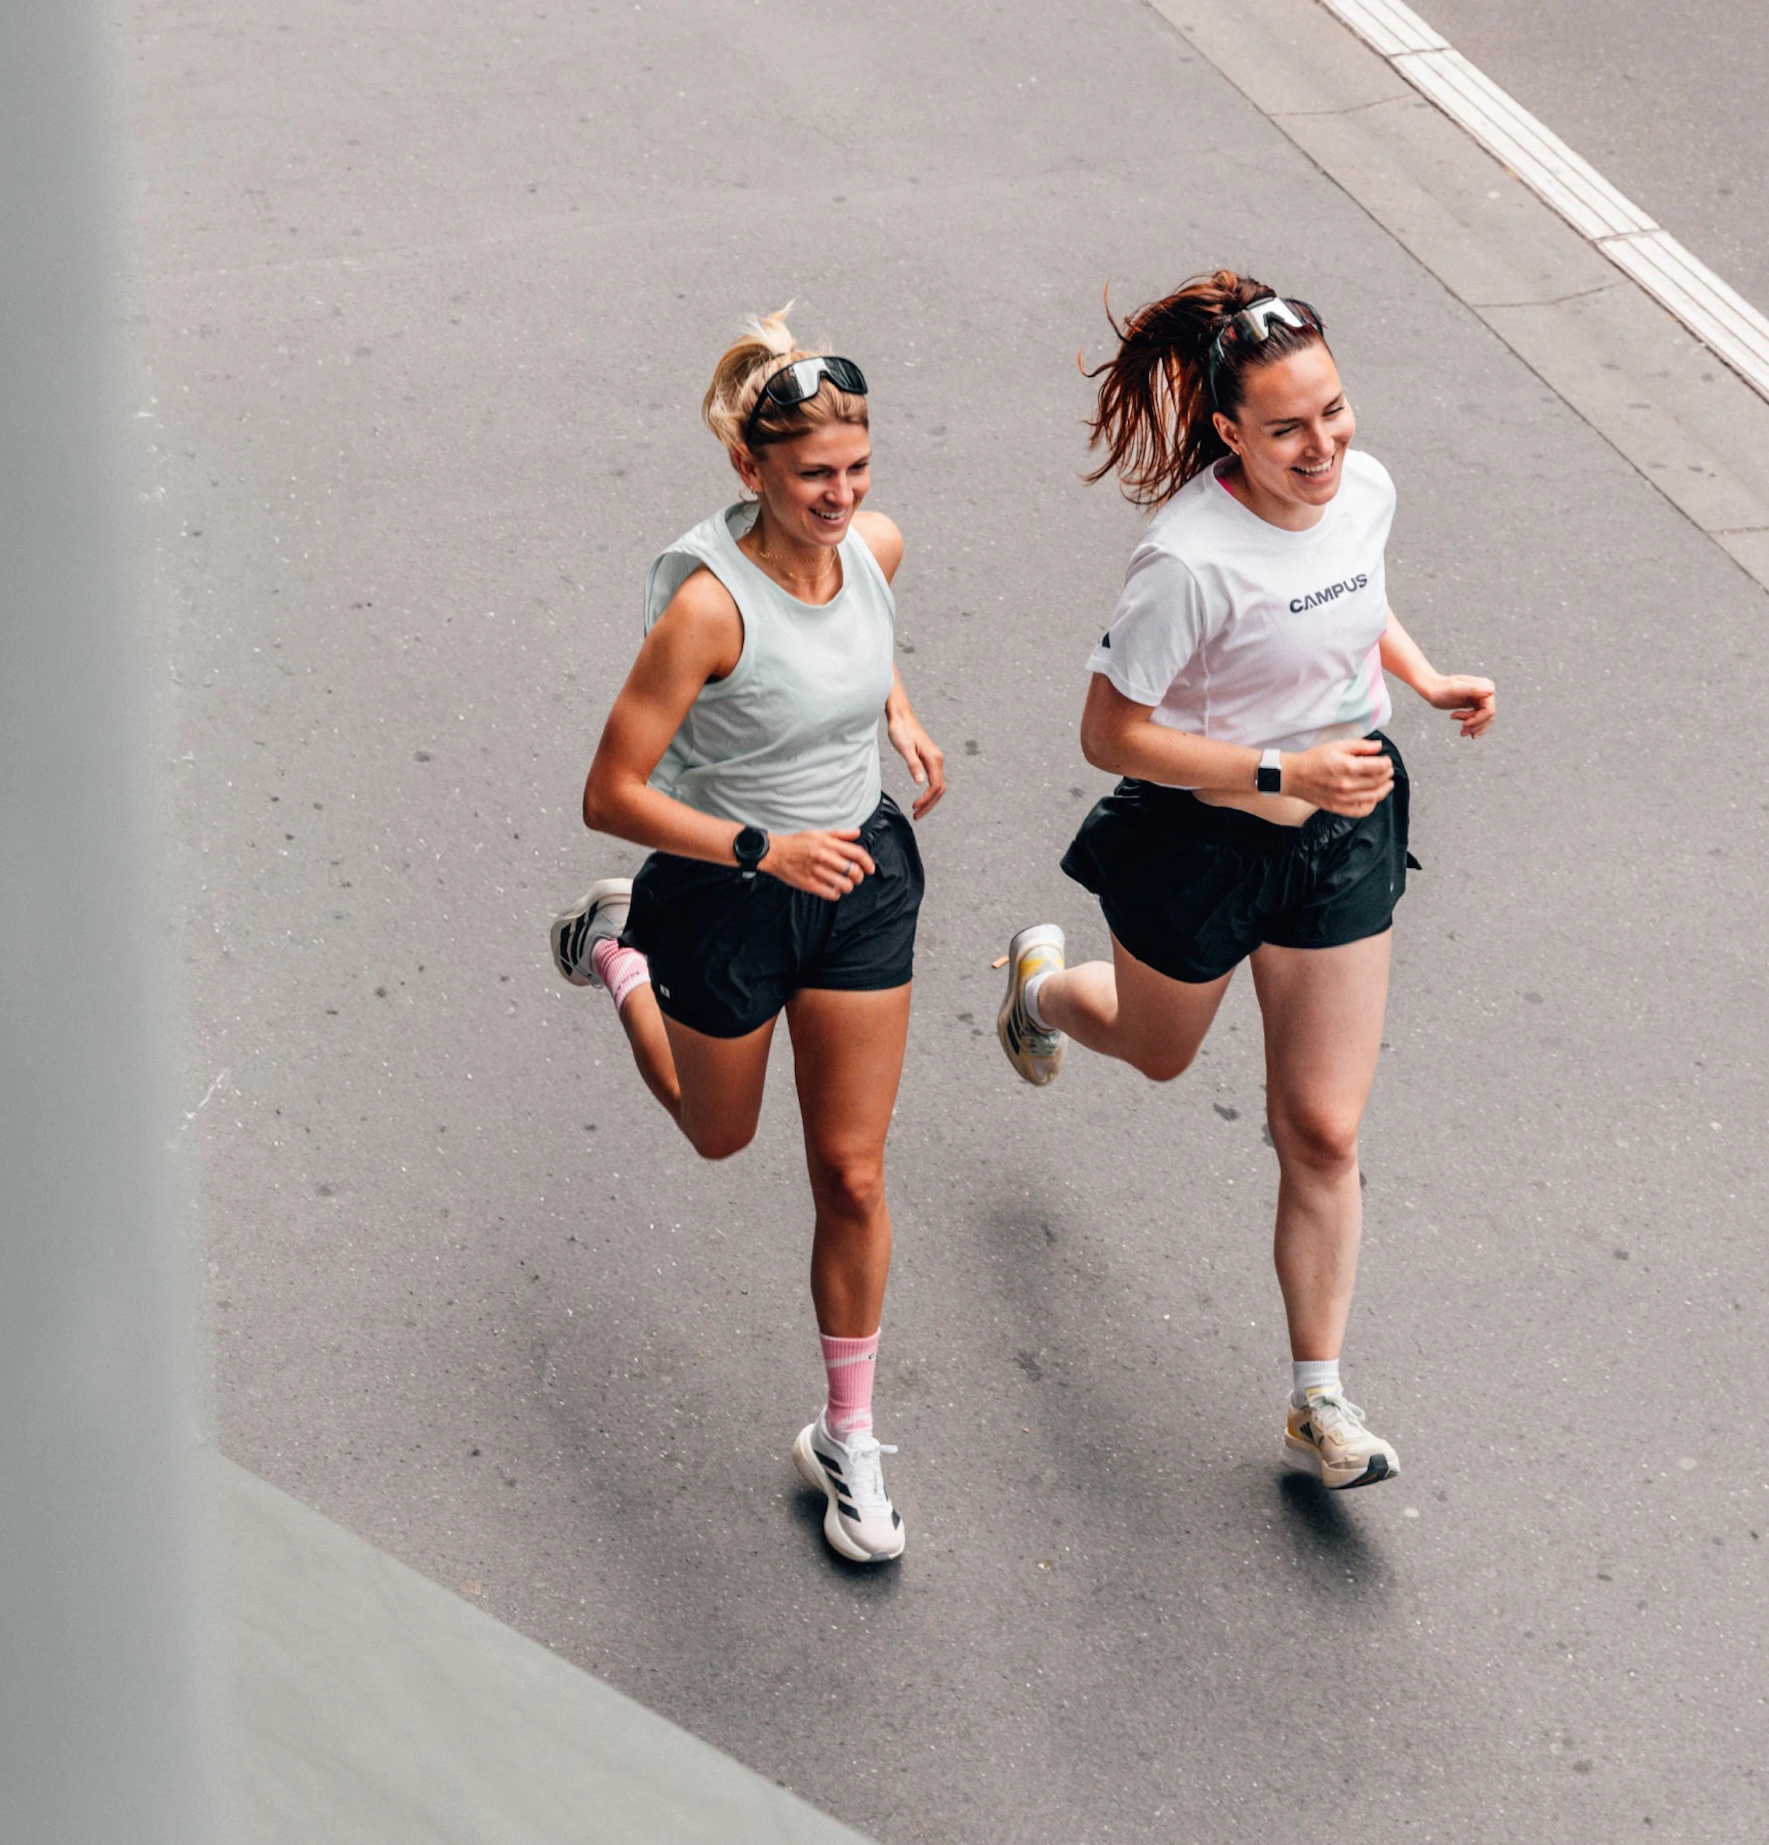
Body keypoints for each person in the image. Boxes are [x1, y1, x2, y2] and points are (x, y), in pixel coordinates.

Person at [995, 274, 1495, 1491]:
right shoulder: (1185, 561)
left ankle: (1319, 1401)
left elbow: (1352, 599)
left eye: (1332, 412)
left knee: (1321, 1128)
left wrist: (1422, 678)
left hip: (1344, 831)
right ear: (1228, 431)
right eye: (1285, 430)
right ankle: (1041, 991)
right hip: (1202, 843)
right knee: (1157, 1049)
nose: (1321, 447)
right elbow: (1109, 735)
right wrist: (1280, 768)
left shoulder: (1363, 490)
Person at [547, 310, 945, 1563]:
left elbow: (857, 629)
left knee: (854, 1174)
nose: (842, 496)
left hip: (861, 879)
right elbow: (609, 795)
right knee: (720, 1135)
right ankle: (620, 957)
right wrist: (760, 848)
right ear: (749, 469)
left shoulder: (872, 545)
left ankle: (848, 1437)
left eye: (857, 468)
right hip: (728, 891)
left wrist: (896, 707)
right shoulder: (708, 613)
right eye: (813, 474)